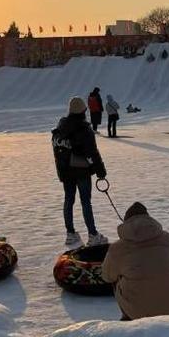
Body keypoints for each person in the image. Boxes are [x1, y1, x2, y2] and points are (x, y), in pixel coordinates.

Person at [101, 202, 169, 320]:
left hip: (136, 311)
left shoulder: (117, 248)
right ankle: (168, 309)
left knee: (117, 278)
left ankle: (128, 317)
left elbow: (107, 276)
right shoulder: (167, 239)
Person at [52, 96, 108, 248]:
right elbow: (92, 152)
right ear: (83, 111)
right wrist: (100, 171)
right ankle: (93, 235)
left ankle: (70, 234)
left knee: (68, 200)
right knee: (85, 202)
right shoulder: (84, 129)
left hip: (65, 171)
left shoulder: (61, 126)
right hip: (81, 171)